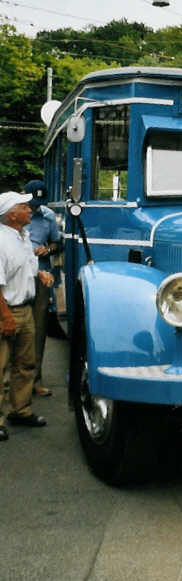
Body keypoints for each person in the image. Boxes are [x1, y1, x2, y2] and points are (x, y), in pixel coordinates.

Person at [0, 191, 53, 441]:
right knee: (1, 368)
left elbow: (29, 264)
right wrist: (6, 317)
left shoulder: (22, 236)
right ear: (12, 214)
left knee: (25, 364)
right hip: (6, 310)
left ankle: (20, 410)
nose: (30, 209)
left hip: (26, 309)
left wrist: (40, 274)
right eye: (24, 206)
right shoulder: (1, 241)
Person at [23, 180, 61, 396]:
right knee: (14, 328)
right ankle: (10, 383)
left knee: (38, 330)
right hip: (18, 276)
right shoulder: (12, 214)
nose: (36, 208)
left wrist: (48, 249)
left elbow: (57, 243)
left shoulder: (47, 216)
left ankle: (35, 381)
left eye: (39, 203)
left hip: (42, 277)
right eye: (33, 203)